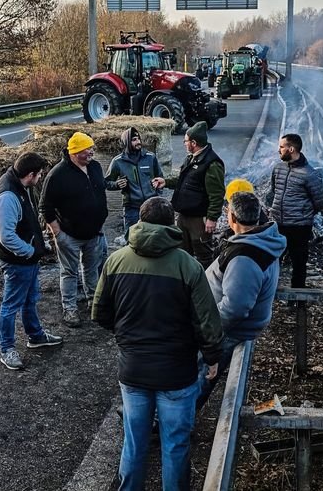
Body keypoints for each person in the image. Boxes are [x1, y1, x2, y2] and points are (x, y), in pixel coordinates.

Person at [92, 197, 223, 491]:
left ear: (140, 221)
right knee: (175, 445)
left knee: (134, 442)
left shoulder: (115, 260)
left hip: (133, 370)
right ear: (171, 224)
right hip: (177, 374)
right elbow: (207, 322)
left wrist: (126, 336)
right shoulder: (188, 266)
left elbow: (99, 312)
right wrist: (213, 357)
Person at [196, 191, 286, 410]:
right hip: (230, 324)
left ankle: (169, 422)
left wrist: (207, 330)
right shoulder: (261, 239)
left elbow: (234, 309)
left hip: (227, 330)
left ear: (233, 218)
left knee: (200, 374)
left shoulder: (246, 257)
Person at [0, 153, 64, 371]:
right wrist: (31, 251)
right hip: (17, 261)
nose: (41, 178)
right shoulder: (8, 196)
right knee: (10, 305)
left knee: (30, 298)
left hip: (27, 259)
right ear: (30, 175)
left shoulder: (21, 186)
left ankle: (35, 335)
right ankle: (7, 349)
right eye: (40, 174)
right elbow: (7, 236)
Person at [40, 131, 109, 328]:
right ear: (75, 152)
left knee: (92, 269)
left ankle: (93, 302)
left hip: (94, 233)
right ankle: (69, 308)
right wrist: (58, 234)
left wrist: (100, 221)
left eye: (92, 148)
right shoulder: (58, 174)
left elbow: (100, 193)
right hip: (69, 235)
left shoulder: (95, 167)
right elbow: (45, 207)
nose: (91, 153)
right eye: (87, 150)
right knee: (69, 272)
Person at [267, 134, 323, 288]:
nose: (278, 150)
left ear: (291, 149)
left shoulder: (310, 174)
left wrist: (302, 215)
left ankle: (297, 298)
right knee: (273, 262)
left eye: (281, 147)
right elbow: (274, 191)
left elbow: (319, 202)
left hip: (299, 228)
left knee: (299, 264)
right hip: (278, 225)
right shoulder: (278, 168)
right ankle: (270, 293)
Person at [170, 121, 225, 268]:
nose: (184, 144)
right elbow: (184, 179)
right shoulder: (191, 157)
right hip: (184, 215)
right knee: (182, 253)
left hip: (199, 219)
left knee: (203, 254)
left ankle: (207, 286)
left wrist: (212, 218)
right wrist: (165, 181)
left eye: (186, 141)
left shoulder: (212, 163)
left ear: (194, 142)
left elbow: (217, 194)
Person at [104, 127, 165, 242]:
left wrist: (157, 193)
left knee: (154, 238)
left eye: (138, 139)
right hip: (131, 208)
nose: (138, 142)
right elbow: (106, 183)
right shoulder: (118, 162)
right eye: (134, 140)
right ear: (126, 142)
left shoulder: (150, 157)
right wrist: (117, 184)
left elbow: (160, 178)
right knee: (131, 239)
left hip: (151, 206)